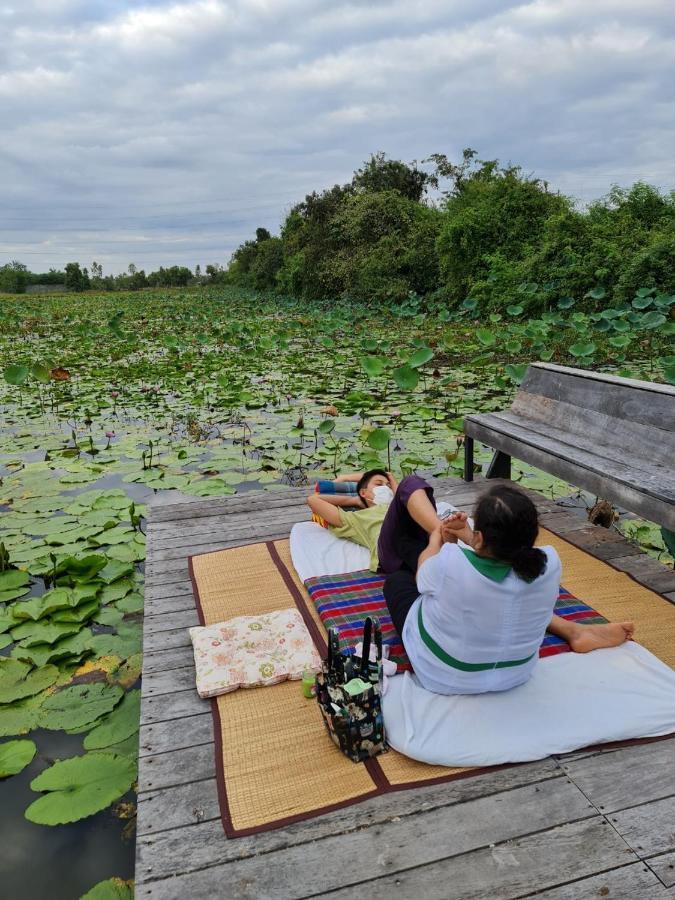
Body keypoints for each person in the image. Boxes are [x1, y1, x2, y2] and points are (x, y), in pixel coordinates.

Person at [382, 481, 635, 695]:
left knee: (398, 582)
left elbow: (424, 574)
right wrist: (471, 538)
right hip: (517, 673)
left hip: (446, 675)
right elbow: (506, 562)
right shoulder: (550, 563)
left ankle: (573, 631)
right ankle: (572, 630)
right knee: (515, 601)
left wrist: (437, 540)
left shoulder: (450, 562)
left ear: (481, 537)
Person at [306, 469, 396, 573]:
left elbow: (389, 476)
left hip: (413, 537)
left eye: (389, 486)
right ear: (363, 492)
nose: (385, 488)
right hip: (393, 547)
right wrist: (354, 501)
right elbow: (313, 500)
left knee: (410, 482)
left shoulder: (400, 505)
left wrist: (346, 478)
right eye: (378, 484)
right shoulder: (358, 518)